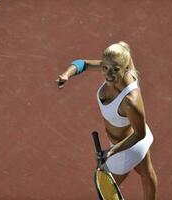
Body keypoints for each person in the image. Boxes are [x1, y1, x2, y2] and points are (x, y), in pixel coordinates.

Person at [56, 41, 157, 200]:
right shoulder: (112, 67)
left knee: (105, 193)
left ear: (124, 68)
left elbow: (140, 135)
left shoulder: (130, 101)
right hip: (128, 145)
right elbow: (83, 64)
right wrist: (66, 74)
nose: (108, 74)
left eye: (115, 70)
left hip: (126, 150)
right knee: (147, 173)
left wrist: (112, 151)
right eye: (105, 68)